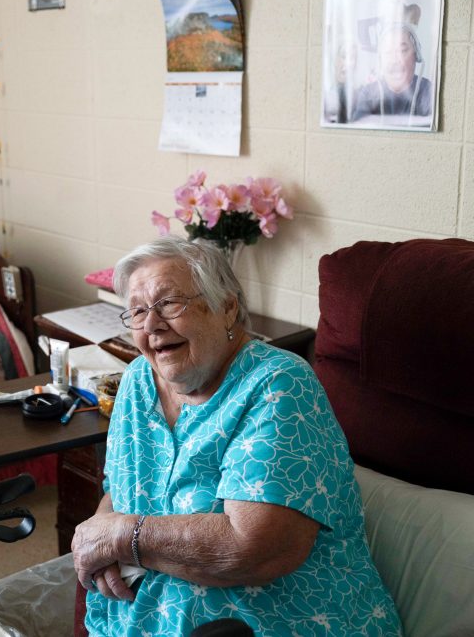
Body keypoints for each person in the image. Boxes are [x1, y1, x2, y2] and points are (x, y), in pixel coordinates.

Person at [70, 237, 401, 636]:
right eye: (138, 312)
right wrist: (102, 531)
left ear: (227, 307)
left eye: (169, 304)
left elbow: (253, 548)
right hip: (145, 615)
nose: (152, 326)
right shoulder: (138, 380)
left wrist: (123, 536)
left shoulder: (279, 384)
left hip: (273, 619)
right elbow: (121, 489)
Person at [351, 23, 432, 125]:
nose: (394, 60)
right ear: (380, 60)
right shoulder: (369, 93)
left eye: (402, 51)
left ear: (416, 55)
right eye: (388, 52)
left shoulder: (428, 91)